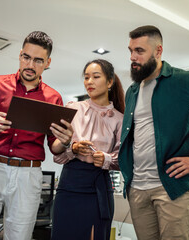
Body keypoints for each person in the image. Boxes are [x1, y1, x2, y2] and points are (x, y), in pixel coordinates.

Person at [0, 31, 73, 240]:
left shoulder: (54, 97)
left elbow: (54, 147)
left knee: (19, 237)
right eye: (26, 57)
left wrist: (66, 141)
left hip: (27, 175)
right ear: (20, 55)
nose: (30, 65)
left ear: (47, 62)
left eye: (38, 60)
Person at [118, 25, 189, 239]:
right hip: (137, 188)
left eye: (140, 51)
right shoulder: (133, 91)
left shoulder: (188, 82)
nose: (133, 57)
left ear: (158, 51)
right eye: (130, 51)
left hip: (171, 188)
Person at [51, 59, 124, 240]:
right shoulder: (72, 109)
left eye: (95, 77)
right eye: (86, 77)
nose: (89, 82)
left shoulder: (119, 119)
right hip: (69, 184)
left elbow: (125, 159)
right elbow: (56, 153)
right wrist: (72, 148)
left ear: (109, 82)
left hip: (98, 186)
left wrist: (106, 159)